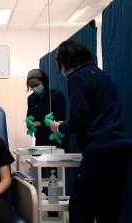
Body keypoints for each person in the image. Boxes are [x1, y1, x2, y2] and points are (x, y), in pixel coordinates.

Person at [51, 39, 132, 222]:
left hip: (100, 151)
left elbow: (78, 120)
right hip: (121, 149)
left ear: (68, 59)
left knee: (81, 208)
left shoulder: (77, 78)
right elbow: (97, 112)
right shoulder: (103, 75)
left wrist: (59, 127)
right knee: (109, 208)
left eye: (60, 61)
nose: (60, 67)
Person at [26, 68, 69, 152]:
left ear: (44, 82)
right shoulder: (31, 98)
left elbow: (61, 120)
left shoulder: (57, 96)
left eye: (36, 85)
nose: (34, 88)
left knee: (57, 164)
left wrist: (40, 124)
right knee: (42, 163)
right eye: (31, 86)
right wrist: (29, 124)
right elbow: (29, 117)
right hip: (40, 140)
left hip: (57, 140)